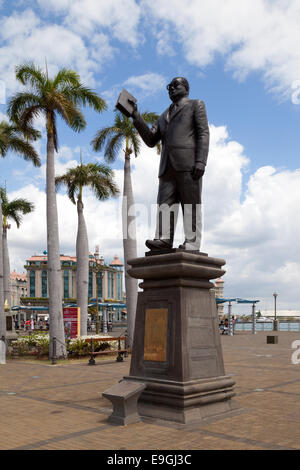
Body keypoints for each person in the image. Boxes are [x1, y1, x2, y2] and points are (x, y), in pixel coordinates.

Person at [130, 77, 209, 251]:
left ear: (186, 88)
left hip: (189, 164)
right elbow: (151, 140)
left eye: (175, 85)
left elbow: (203, 133)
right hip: (167, 167)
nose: (171, 89)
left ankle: (192, 242)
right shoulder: (163, 116)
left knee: (190, 204)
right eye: (169, 87)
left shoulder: (196, 105)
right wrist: (136, 116)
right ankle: (164, 240)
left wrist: (201, 161)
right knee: (165, 204)